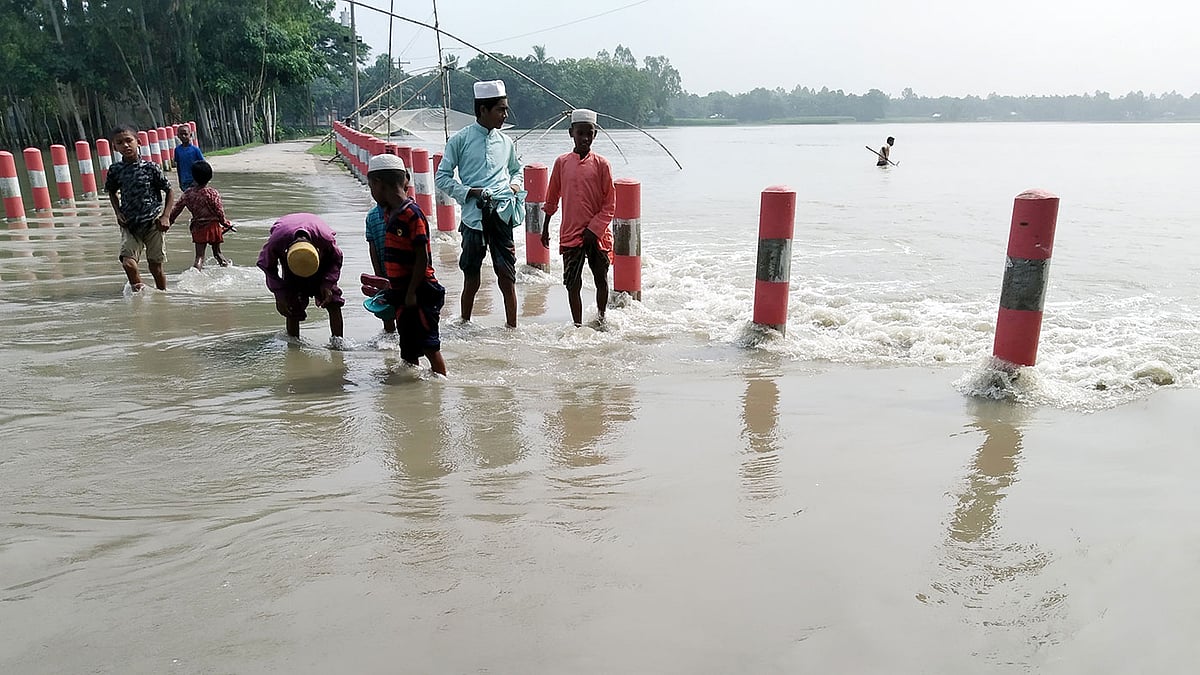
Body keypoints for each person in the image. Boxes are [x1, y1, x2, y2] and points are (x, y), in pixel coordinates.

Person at [434, 79, 525, 328]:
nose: (505, 115)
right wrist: (468, 192)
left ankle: (512, 329)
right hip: (473, 218)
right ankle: (464, 322)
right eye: (501, 109)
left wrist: (514, 187)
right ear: (483, 110)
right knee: (471, 275)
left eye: (505, 109)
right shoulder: (459, 140)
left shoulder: (506, 143)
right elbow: (442, 177)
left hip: (502, 215)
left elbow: (517, 170)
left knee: (507, 276)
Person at [367, 154, 448, 375]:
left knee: (430, 346)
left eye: (371, 187)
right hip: (403, 291)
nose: (372, 193)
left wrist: (412, 291)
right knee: (408, 347)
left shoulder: (412, 214)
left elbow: (422, 256)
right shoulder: (387, 213)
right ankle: (411, 392)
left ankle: (441, 385)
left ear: (377, 184)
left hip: (421, 290)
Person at [541, 108, 616, 327]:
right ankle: (577, 325)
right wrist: (545, 227)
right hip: (570, 232)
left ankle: (602, 319)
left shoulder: (602, 164)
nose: (584, 138)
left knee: (601, 279)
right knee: (572, 283)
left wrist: (596, 229)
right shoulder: (562, 162)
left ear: (595, 135)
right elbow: (552, 196)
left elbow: (610, 203)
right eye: (580, 133)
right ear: (571, 133)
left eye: (589, 133)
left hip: (597, 235)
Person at [105, 123, 174, 291]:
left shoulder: (151, 168)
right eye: (120, 143)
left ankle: (162, 297)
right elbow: (112, 192)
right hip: (129, 224)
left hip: (153, 223)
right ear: (114, 147)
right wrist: (118, 213)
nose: (125, 145)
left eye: (129, 140)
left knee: (155, 268)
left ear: (138, 141)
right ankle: (140, 296)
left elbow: (169, 191)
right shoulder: (115, 170)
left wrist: (165, 216)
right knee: (128, 264)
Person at [256, 213, 345, 340]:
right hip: (292, 262)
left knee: (333, 301)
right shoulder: (277, 241)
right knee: (291, 304)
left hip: (319, 260)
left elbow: (336, 259)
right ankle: (293, 345)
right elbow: (265, 265)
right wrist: (279, 294)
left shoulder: (325, 240)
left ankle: (338, 343)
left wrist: (327, 284)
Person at [168, 160, 232, 270]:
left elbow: (176, 210)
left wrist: (169, 222)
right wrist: (225, 223)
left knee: (199, 257)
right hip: (214, 228)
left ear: (193, 176)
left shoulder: (188, 194)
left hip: (198, 228)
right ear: (210, 176)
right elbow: (219, 211)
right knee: (218, 254)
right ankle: (227, 271)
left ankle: (195, 276)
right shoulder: (212, 193)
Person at [364, 201, 396, 335]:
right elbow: (372, 247)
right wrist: (378, 274)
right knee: (386, 310)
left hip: (405, 272)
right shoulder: (371, 217)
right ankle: (391, 341)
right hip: (383, 271)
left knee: (406, 312)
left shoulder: (406, 213)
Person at [174, 125, 205, 190]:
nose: (183, 136)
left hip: (195, 181)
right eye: (181, 134)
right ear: (178, 136)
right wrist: (179, 181)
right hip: (184, 181)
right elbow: (178, 166)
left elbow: (203, 166)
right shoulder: (177, 150)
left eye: (185, 134)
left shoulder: (195, 150)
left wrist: (200, 181)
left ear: (190, 135)